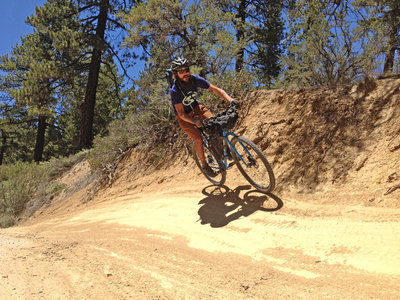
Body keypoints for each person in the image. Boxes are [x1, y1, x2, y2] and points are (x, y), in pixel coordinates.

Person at [169, 56, 235, 176]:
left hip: (197, 108)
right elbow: (181, 113)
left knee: (216, 125)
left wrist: (230, 100)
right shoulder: (175, 91)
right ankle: (205, 165)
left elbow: (216, 90)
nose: (185, 73)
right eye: (181, 71)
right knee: (198, 139)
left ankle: (223, 151)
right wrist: (194, 121)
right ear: (176, 73)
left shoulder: (195, 79)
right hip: (185, 117)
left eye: (187, 69)